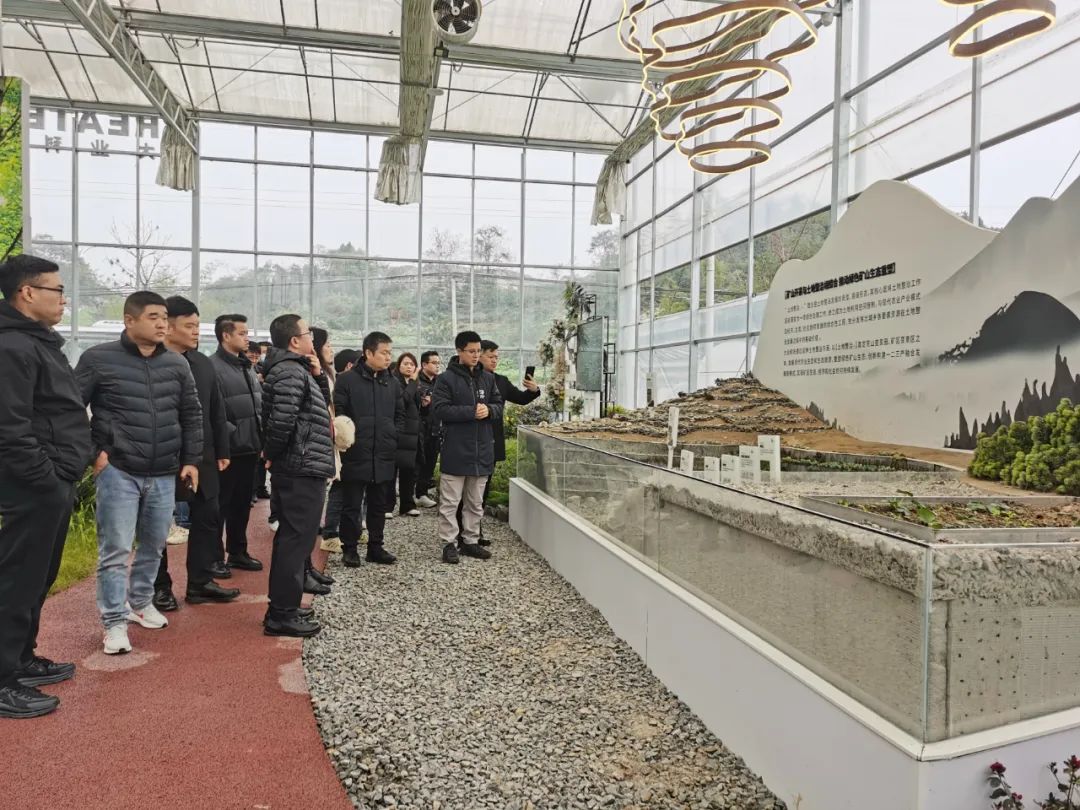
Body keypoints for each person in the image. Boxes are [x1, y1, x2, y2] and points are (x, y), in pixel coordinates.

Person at [76, 291, 203, 655]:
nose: (162, 323)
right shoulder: (98, 359)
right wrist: (94, 455)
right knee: (115, 549)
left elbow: (190, 415)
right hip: (118, 470)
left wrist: (191, 458)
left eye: (164, 316)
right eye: (152, 316)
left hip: (164, 470)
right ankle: (114, 621)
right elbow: (69, 408)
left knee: (154, 545)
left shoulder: (177, 365)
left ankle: (141, 602)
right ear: (129, 320)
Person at [0, 255, 92, 718]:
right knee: (15, 579)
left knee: (36, 577)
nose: (63, 299)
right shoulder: (12, 346)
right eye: (56, 290)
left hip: (53, 483)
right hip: (32, 487)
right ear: (27, 293)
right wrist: (47, 477)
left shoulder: (37, 343)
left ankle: (19, 659)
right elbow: (9, 428)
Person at [153, 298, 239, 610]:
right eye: (189, 326)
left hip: (203, 454)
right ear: (168, 326)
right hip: (161, 455)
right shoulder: (151, 361)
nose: (195, 332)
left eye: (197, 325)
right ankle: (158, 586)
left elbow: (216, 409)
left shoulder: (202, 363)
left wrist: (222, 449)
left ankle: (200, 582)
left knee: (208, 515)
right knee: (156, 523)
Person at [260, 314, 334, 638]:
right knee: (294, 541)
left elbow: (316, 408)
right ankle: (281, 614)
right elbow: (281, 422)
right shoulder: (289, 371)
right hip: (300, 467)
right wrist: (274, 455)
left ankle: (284, 607)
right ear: (294, 341)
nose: (312, 340)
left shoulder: (299, 370)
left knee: (296, 539)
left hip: (303, 466)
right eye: (307, 334)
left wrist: (317, 375)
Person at [457, 339, 541, 546]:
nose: (495, 360)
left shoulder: (501, 381)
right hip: (468, 440)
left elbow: (520, 398)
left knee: (482, 488)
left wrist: (533, 390)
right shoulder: (464, 379)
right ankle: (459, 530)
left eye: (497, 357)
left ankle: (474, 530)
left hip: (491, 440)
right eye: (490, 356)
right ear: (477, 355)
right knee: (463, 487)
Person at [333, 331, 404, 568]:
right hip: (356, 452)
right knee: (352, 504)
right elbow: (341, 416)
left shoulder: (392, 383)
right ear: (368, 353)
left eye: (389, 353)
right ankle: (350, 548)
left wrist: (392, 435)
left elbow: (400, 415)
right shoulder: (347, 381)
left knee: (378, 504)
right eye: (384, 352)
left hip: (384, 452)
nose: (388, 357)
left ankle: (376, 547)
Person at [432, 331, 503, 565]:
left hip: (482, 450)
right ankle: (449, 543)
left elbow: (499, 405)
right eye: (471, 351)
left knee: (475, 501)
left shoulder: (488, 379)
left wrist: (490, 411)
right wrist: (471, 411)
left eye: (478, 351)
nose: (476, 355)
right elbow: (440, 409)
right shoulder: (445, 379)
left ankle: (470, 540)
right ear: (459, 352)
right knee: (450, 502)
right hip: (456, 449)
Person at [210, 314, 264, 573]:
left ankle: (238, 551)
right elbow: (213, 410)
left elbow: (256, 403)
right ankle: (214, 557)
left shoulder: (247, 366)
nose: (247, 338)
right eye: (242, 333)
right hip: (228, 449)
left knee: (242, 504)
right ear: (226, 336)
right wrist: (230, 436)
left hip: (250, 446)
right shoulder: (213, 367)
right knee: (220, 505)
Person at [321, 348, 360, 550]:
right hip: (343, 442)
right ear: (350, 366)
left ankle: (346, 530)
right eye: (327, 345)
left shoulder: (335, 379)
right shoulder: (341, 382)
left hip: (345, 441)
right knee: (339, 487)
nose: (331, 349)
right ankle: (330, 532)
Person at [393, 352, 424, 518]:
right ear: (399, 366)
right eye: (405, 363)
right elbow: (402, 401)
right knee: (392, 471)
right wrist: (412, 383)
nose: (409, 367)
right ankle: (387, 506)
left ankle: (407, 504)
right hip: (400, 432)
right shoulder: (394, 382)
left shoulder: (415, 384)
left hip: (413, 434)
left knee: (409, 471)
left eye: (412, 364)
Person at [415, 350, 441, 508]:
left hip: (436, 428)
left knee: (430, 461)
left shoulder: (441, 383)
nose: (437, 366)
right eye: (434, 363)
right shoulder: (416, 382)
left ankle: (422, 493)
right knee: (417, 463)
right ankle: (412, 492)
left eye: (439, 363)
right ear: (424, 364)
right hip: (419, 429)